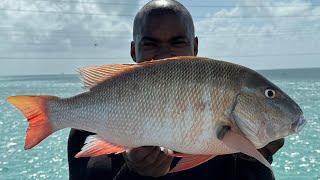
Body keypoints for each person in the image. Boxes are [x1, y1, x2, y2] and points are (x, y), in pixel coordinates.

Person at [68, 0, 284, 179]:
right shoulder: (87, 124)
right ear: (134, 50)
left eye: (177, 42)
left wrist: (253, 158)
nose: (164, 55)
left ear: (195, 47)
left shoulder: (229, 134)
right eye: (150, 44)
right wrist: (134, 173)